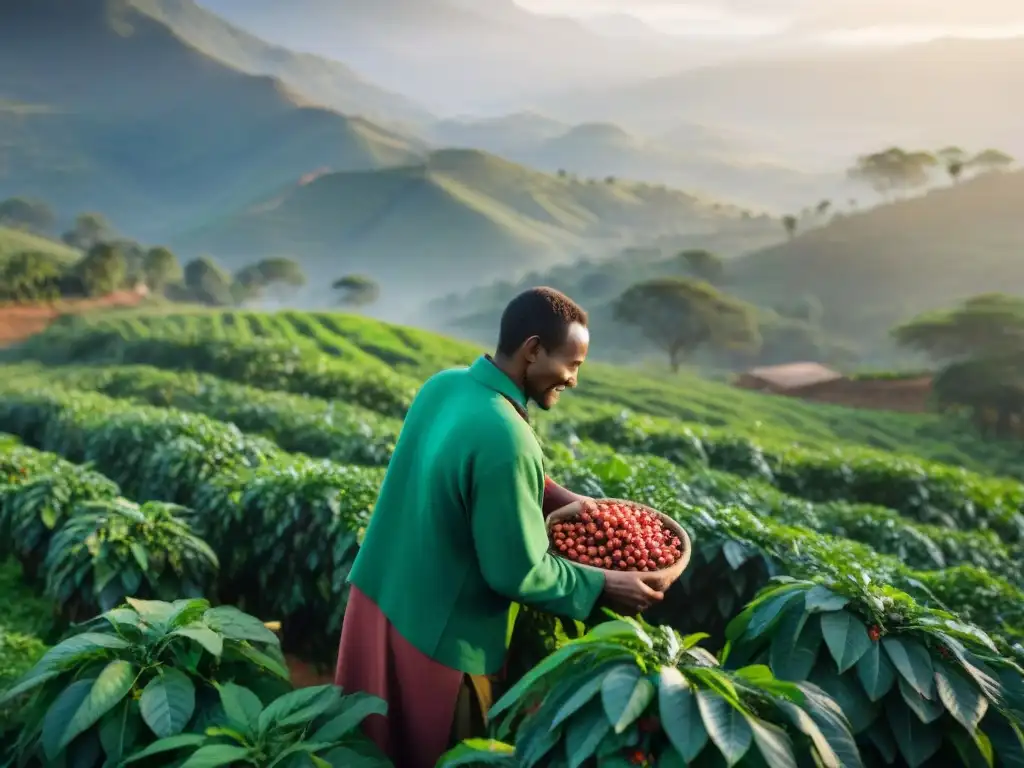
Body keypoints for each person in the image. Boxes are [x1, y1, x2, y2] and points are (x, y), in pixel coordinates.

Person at [335, 287, 672, 768]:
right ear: (533, 350)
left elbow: (472, 469)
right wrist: (603, 583)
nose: (574, 379)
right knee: (439, 756)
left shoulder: (445, 386)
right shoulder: (507, 438)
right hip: (440, 639)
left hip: (378, 600)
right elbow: (515, 572)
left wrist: (563, 498)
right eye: (572, 364)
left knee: (366, 750)